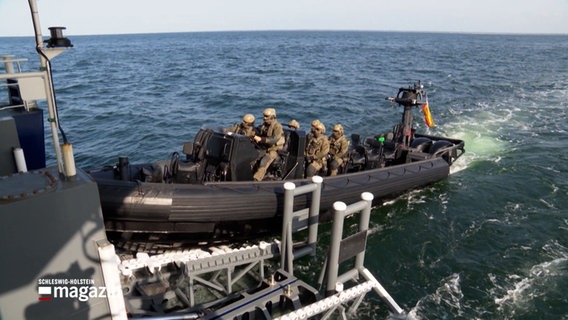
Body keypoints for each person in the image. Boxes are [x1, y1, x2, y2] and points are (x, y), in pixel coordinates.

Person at [252, 108, 284, 181]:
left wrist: (261, 139)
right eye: (264, 116)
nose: (264, 118)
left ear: (272, 117)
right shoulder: (265, 125)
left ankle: (256, 180)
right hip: (264, 148)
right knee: (252, 157)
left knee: (264, 162)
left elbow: (274, 139)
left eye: (266, 116)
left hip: (274, 150)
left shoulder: (277, 126)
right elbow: (259, 131)